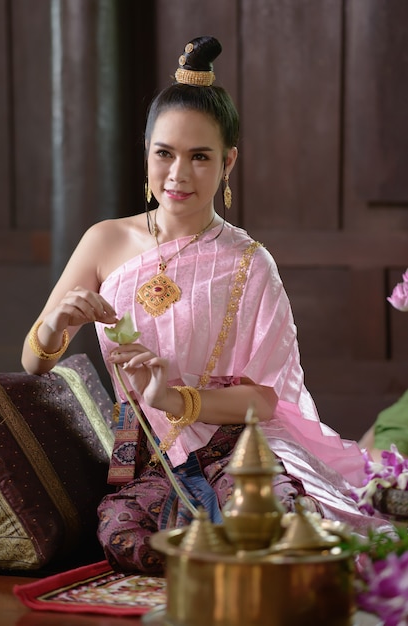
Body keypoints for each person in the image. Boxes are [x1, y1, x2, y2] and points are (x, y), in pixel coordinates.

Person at [22, 35, 392, 575]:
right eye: (164, 153)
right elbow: (35, 364)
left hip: (235, 449)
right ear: (145, 152)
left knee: (282, 531)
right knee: (124, 541)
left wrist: (175, 398)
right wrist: (54, 323)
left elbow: (264, 403)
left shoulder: (248, 262)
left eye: (200, 157)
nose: (178, 174)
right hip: (144, 452)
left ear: (228, 162)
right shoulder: (104, 242)